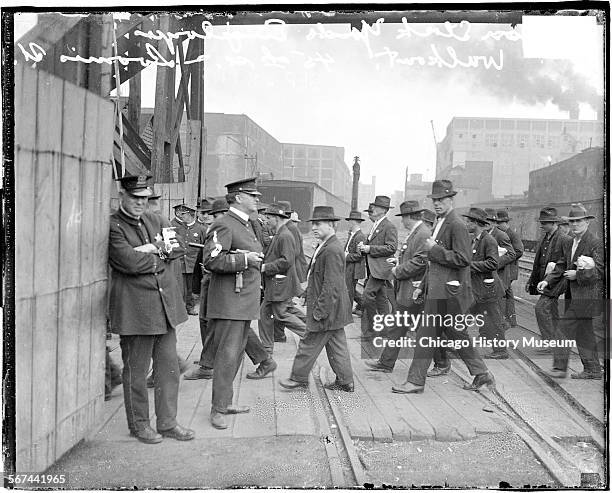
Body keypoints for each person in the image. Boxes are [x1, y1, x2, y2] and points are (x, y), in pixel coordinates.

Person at [108, 174, 194, 444]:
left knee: (168, 370)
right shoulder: (113, 226)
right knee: (136, 372)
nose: (139, 204)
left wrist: (151, 248)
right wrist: (159, 256)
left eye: (144, 199)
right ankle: (139, 425)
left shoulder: (157, 219)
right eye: (134, 198)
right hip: (136, 312)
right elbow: (128, 262)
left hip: (164, 309)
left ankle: (168, 423)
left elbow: (178, 247)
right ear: (122, 196)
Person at [392, 180, 493, 394]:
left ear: (451, 200)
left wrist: (435, 249)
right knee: (454, 334)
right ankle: (481, 374)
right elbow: (434, 262)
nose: (437, 203)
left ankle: (415, 382)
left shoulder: (455, 224)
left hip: (449, 293)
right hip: (440, 291)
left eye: (442, 200)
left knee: (427, 335)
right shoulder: (441, 222)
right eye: (435, 200)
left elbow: (463, 259)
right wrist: (423, 286)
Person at [203, 178, 274, 430]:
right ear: (239, 197)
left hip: (242, 302)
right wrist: (245, 260)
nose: (257, 199)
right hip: (230, 304)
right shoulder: (224, 224)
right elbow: (211, 260)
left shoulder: (247, 224)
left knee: (232, 357)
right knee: (227, 356)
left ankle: (225, 402)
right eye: (253, 195)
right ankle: (218, 409)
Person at [279, 206, 354, 392]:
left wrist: (319, 311)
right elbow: (319, 277)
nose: (314, 227)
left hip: (327, 309)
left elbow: (332, 286)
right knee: (337, 345)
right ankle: (346, 382)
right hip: (334, 310)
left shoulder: (332, 249)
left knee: (308, 343)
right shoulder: (328, 245)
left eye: (318, 224)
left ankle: (298, 378)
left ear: (330, 225)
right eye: (313, 224)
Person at [539, 203, 603, 379]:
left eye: (579, 221)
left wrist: (579, 274)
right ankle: (593, 370)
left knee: (562, 330)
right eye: (572, 221)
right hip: (574, 297)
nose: (575, 225)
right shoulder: (569, 243)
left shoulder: (595, 243)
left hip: (587, 297)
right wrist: (547, 280)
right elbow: (561, 265)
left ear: (587, 222)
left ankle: (559, 369)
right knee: (585, 334)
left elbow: (601, 271)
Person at [365, 200, 429, 373]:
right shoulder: (416, 232)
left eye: (403, 218)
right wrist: (399, 260)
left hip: (414, 288)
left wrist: (398, 270)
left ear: (409, 217)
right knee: (398, 327)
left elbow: (420, 261)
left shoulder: (422, 233)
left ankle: (442, 362)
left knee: (427, 330)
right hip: (408, 289)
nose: (402, 222)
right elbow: (413, 257)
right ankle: (386, 363)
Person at [258, 203, 307, 354]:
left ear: (276, 218)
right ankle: (266, 347)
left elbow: (287, 261)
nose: (266, 221)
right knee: (265, 314)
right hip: (278, 283)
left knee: (281, 313)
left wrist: (266, 267)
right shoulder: (280, 233)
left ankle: (310, 336)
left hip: (280, 283)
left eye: (268, 218)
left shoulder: (285, 235)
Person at [463, 208, 507, 359]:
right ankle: (456, 345)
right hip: (476, 289)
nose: (466, 223)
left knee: (493, 321)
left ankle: (501, 351)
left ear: (476, 223)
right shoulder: (473, 240)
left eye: (469, 221)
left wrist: (470, 266)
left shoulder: (489, 240)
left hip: (487, 289)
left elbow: (493, 263)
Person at [525, 207, 570, 352]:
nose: (542, 226)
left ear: (553, 223)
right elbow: (538, 263)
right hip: (545, 280)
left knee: (541, 308)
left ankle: (549, 342)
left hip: (557, 281)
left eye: (544, 223)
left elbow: (567, 262)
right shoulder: (545, 238)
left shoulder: (564, 239)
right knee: (553, 310)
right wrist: (531, 280)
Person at [358, 195, 398, 340]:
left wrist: (369, 249)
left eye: (376, 207)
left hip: (381, 270)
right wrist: (364, 248)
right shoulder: (376, 225)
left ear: (383, 210)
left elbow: (392, 247)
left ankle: (373, 329)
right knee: (381, 301)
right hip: (374, 269)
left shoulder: (389, 226)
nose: (372, 208)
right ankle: (386, 331)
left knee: (367, 296)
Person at [273, 200, 308, 342]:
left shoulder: (290, 227)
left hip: (291, 271)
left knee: (283, 307)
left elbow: (295, 251)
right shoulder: (289, 226)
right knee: (283, 306)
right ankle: (278, 334)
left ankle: (309, 330)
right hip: (290, 270)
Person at [171, 204, 206, 315]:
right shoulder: (178, 228)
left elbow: (205, 247)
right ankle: (179, 308)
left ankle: (190, 307)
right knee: (178, 286)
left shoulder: (201, 229)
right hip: (180, 262)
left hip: (193, 263)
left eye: (183, 214)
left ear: (191, 215)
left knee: (190, 288)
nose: (181, 217)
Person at [495, 209, 524, 328]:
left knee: (503, 293)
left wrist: (505, 258)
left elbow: (519, 251)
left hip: (509, 269)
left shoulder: (511, 234)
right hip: (506, 269)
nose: (497, 225)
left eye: (499, 223)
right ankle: (510, 320)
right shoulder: (505, 233)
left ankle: (503, 320)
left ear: (505, 223)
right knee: (507, 294)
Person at [343, 211, 366, 316]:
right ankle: (363, 305)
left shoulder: (360, 236)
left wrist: (346, 256)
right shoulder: (352, 234)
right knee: (349, 288)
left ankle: (347, 313)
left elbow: (359, 255)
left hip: (353, 268)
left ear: (353, 222)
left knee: (349, 290)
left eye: (350, 221)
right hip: (349, 266)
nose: (348, 223)